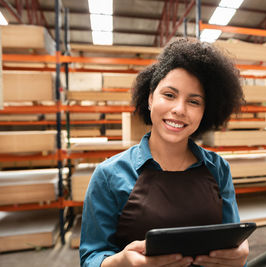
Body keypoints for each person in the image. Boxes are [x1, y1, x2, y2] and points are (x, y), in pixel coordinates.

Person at [80, 38, 247, 267]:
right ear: (150, 98)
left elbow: (231, 243)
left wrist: (237, 258)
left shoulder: (218, 169)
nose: (179, 109)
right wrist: (121, 263)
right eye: (169, 95)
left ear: (205, 111)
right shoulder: (109, 175)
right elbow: (91, 258)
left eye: (194, 101)